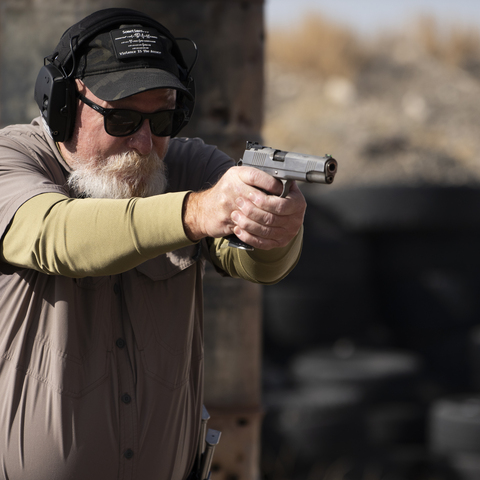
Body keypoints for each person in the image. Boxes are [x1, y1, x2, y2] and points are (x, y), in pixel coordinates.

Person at [0, 8, 305, 480]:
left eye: (162, 119)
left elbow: (257, 265)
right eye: (122, 119)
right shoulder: (12, 159)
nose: (144, 143)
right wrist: (194, 213)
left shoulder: (187, 165)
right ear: (63, 105)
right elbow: (55, 235)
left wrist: (274, 227)